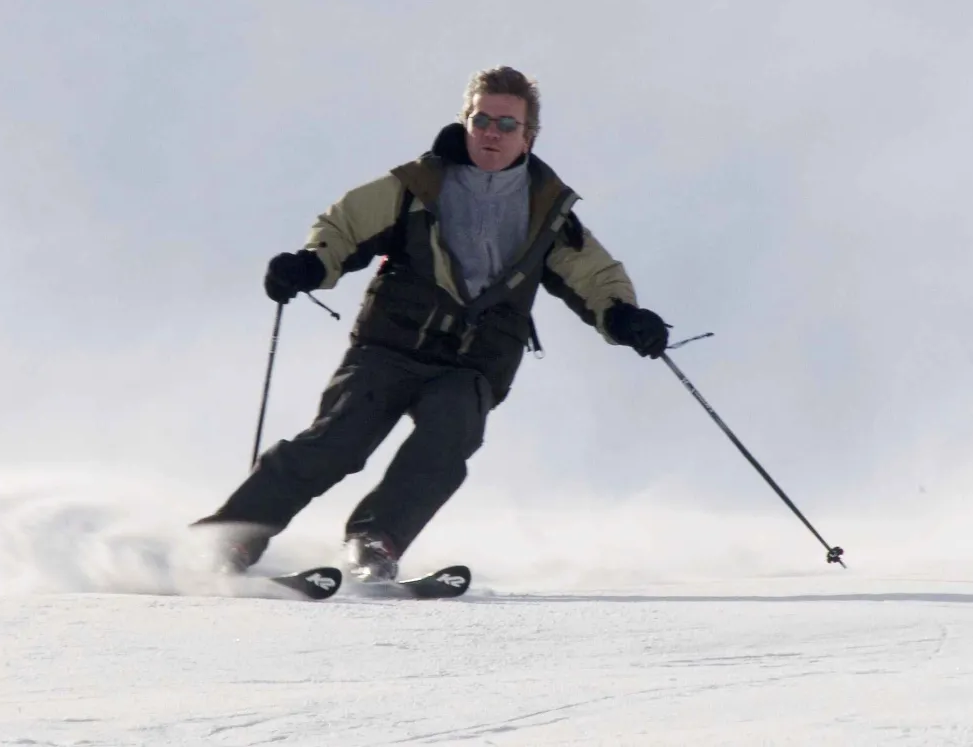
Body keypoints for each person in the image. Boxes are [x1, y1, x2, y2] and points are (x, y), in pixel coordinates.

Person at [192, 65, 670, 581]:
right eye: (481, 120)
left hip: (472, 364)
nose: (491, 133)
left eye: (506, 125)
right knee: (339, 440)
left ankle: (375, 543)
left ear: (529, 136)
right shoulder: (417, 187)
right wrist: (309, 264)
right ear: (466, 121)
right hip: (390, 346)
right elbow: (345, 226)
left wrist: (623, 315)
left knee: (448, 437)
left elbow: (592, 274)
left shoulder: (547, 211)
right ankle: (231, 537)